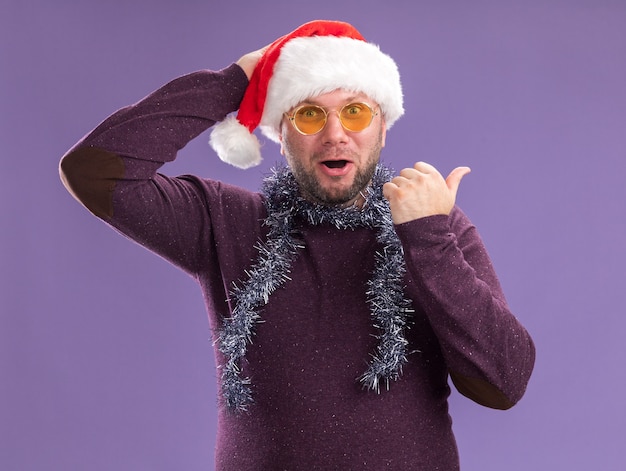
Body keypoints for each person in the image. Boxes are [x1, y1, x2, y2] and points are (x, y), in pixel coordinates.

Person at [60, 20, 535, 471]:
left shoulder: (433, 223)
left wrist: (429, 239)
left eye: (355, 111)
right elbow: (93, 171)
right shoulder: (224, 221)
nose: (335, 133)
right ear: (281, 137)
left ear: (382, 127)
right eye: (308, 114)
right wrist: (237, 80)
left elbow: (501, 384)